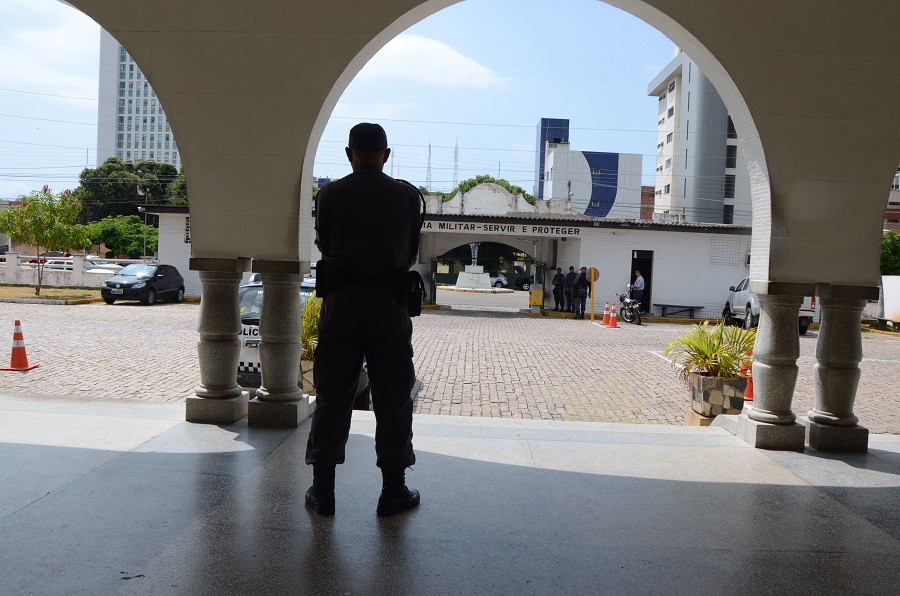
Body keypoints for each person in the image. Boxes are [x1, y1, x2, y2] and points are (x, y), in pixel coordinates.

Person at [305, 123, 421, 517]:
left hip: (342, 305)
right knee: (392, 396)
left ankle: (323, 492)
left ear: (349, 154)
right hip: (389, 305)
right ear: (386, 155)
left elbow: (325, 245)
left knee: (333, 394)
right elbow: (410, 253)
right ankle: (393, 490)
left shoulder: (330, 194)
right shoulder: (406, 195)